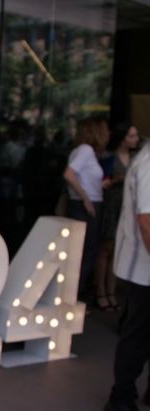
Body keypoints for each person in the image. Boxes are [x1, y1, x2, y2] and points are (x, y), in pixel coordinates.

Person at [104, 141, 150, 411]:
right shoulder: (149, 162)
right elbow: (146, 221)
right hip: (142, 268)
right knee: (137, 335)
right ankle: (121, 397)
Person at [63, 116, 110, 299]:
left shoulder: (81, 150)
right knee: (85, 253)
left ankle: (71, 296)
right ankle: (73, 297)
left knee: (80, 253)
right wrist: (86, 198)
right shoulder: (86, 150)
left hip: (82, 203)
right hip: (85, 206)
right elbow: (69, 174)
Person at [95, 123, 140, 310]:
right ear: (123, 139)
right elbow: (100, 181)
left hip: (128, 206)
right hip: (112, 204)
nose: (135, 139)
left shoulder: (137, 158)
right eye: (131, 136)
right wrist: (115, 180)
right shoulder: (109, 158)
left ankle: (111, 291)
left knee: (116, 251)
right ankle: (100, 291)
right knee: (105, 248)